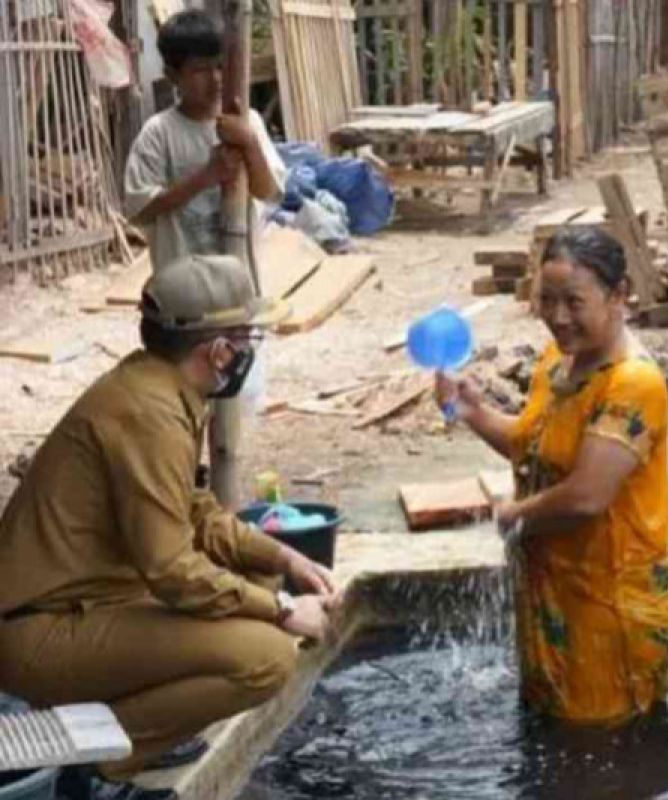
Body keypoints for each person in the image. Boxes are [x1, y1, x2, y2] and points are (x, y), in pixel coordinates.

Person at [0, 255, 338, 800]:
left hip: (83, 605)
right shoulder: (150, 414)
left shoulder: (159, 387)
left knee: (259, 585)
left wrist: (283, 561)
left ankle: (140, 723)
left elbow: (196, 511)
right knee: (267, 658)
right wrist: (279, 609)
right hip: (43, 631)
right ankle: (103, 763)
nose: (249, 352)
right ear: (218, 350)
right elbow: (171, 569)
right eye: (245, 337)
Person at [436, 227, 668, 724]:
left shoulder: (632, 383)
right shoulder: (558, 361)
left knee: (604, 747)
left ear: (618, 296)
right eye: (547, 300)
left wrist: (514, 514)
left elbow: (587, 495)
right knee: (551, 730)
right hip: (552, 588)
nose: (558, 318)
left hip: (608, 603)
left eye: (574, 302)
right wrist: (475, 413)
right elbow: (538, 453)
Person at [124, 9, 285, 272]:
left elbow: (269, 192)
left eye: (220, 66)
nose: (216, 79)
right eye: (200, 70)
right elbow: (139, 212)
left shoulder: (248, 123)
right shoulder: (158, 133)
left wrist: (250, 144)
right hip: (183, 291)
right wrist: (206, 177)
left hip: (241, 282)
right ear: (172, 75)